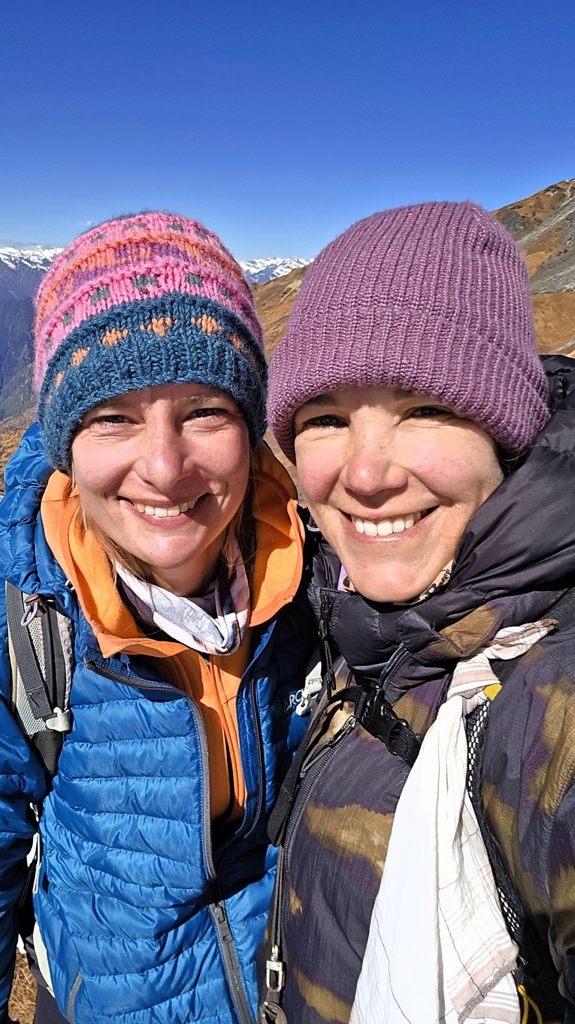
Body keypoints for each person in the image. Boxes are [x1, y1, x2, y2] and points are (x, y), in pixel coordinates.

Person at [0, 212, 315, 1024]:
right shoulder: (3, 642)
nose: (164, 467)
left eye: (205, 411)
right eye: (113, 417)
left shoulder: (318, 590)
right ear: (64, 442)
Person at [262, 201, 575, 1023]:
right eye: (326, 419)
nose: (365, 475)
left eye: (425, 408)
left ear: (506, 433)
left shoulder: (547, 696)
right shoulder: (370, 622)